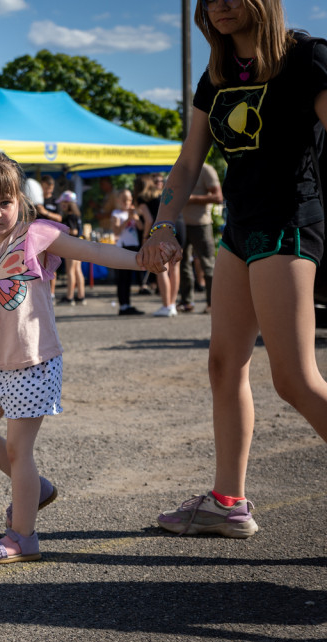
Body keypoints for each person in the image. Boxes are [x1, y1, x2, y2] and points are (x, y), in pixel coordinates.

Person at [0, 152, 171, 563]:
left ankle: (23, 537)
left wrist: (143, 258)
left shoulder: (35, 235)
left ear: (19, 200)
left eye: (4, 202)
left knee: (17, 451)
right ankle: (36, 489)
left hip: (35, 362)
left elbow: (93, 251)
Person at [140, 0, 327, 538]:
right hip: (239, 230)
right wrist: (164, 222)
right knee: (224, 366)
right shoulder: (217, 73)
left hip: (289, 224)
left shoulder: (309, 58)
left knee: (294, 379)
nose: (218, 5)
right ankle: (228, 501)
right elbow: (189, 159)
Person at [178, 163, 222, 313]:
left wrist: (191, 198)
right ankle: (187, 301)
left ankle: (212, 303)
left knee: (208, 264)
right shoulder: (180, 168)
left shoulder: (206, 170)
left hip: (201, 224)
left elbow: (218, 197)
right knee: (182, 264)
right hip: (181, 224)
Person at [135, 174, 181, 316]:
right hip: (178, 226)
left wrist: (145, 238)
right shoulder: (164, 196)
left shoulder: (143, 198)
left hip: (161, 231)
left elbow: (148, 220)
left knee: (161, 268)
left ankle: (166, 305)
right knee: (175, 267)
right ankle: (172, 305)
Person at [110, 189, 145, 316]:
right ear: (119, 200)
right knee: (122, 278)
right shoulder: (116, 213)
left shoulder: (133, 213)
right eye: (124, 200)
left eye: (129, 199)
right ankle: (123, 305)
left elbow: (141, 227)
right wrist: (128, 219)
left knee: (129, 278)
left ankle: (128, 304)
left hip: (133, 246)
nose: (126, 202)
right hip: (122, 247)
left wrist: (135, 217)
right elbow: (116, 231)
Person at [57, 191, 86, 305]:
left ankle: (69, 297)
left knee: (70, 271)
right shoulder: (77, 215)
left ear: (70, 203)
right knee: (78, 271)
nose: (62, 205)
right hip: (78, 244)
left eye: (64, 202)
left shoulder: (69, 216)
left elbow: (73, 231)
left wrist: (61, 232)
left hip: (72, 245)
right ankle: (81, 296)